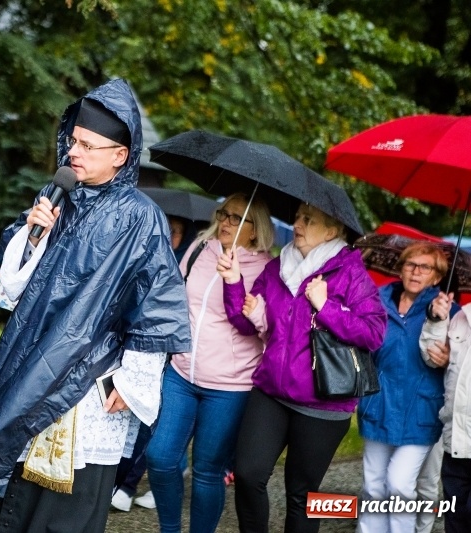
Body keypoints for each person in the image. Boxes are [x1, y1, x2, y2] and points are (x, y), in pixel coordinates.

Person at [0, 78, 191, 533]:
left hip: (86, 382)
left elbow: (157, 307)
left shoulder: (140, 218)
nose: (74, 152)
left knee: (61, 510)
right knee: (4, 488)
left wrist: (132, 384)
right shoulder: (56, 196)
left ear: (120, 155)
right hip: (28, 365)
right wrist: (36, 233)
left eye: (88, 145)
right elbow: (13, 287)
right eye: (73, 140)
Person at [217, 202, 386, 533]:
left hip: (323, 404)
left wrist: (325, 306)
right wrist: (234, 282)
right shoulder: (280, 267)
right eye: (297, 216)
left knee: (302, 496)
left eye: (309, 220)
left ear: (332, 231)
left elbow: (374, 333)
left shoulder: (350, 273)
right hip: (271, 392)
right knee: (248, 474)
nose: (297, 223)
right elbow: (246, 323)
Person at [145, 192, 274, 533]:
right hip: (181, 372)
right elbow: (175, 296)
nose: (225, 222)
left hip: (230, 387)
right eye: (223, 214)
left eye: (236, 218)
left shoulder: (266, 270)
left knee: (207, 471)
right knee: (159, 457)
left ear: (254, 229)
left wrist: (235, 281)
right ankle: (169, 528)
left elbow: (254, 326)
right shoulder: (201, 248)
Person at [356, 243, 457, 533]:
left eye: (425, 267)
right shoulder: (378, 301)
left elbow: (462, 357)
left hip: (420, 410)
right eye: (410, 264)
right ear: (400, 268)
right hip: (379, 404)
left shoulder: (447, 310)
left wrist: (449, 356)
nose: (415, 271)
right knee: (373, 484)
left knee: (399, 484)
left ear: (436, 278)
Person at [111, 212, 196, 513]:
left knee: (156, 421)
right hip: (141, 345)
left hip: (174, 353)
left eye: (176, 231)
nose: (169, 237)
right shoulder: (147, 254)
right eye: (167, 230)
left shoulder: (188, 261)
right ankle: (125, 480)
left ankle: (129, 484)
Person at [420, 288, 471, 532]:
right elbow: (431, 356)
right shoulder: (461, 318)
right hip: (456, 443)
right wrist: (436, 319)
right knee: (456, 517)